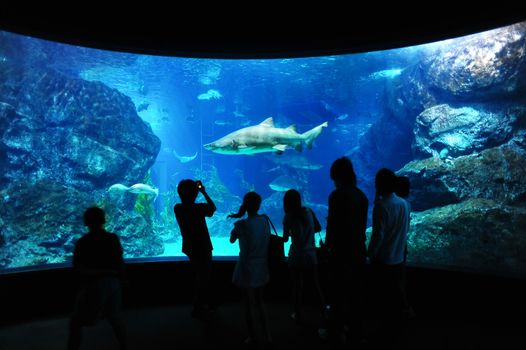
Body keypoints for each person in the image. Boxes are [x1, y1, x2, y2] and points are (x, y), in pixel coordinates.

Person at [322, 156, 368, 345]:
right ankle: (356, 333)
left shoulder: (336, 195)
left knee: (337, 293)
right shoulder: (362, 196)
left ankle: (335, 333)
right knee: (356, 294)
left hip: (341, 253)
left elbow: (333, 226)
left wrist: (327, 247)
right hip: (358, 251)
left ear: (336, 176)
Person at [67, 207, 127, 350]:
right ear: (103, 220)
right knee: (115, 317)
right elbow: (120, 262)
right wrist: (123, 280)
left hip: (94, 285)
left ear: (86, 222)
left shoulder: (82, 242)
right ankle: (124, 346)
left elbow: (78, 268)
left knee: (76, 322)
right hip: (114, 283)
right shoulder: (113, 238)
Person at [367, 169, 412, 346]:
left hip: (383, 260)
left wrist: (370, 254)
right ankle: (397, 331)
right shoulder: (403, 204)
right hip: (399, 258)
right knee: (395, 294)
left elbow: (378, 236)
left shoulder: (382, 206)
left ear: (379, 185)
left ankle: (384, 334)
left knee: (383, 298)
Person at [228, 191, 272, 346]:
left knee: (248, 304)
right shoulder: (264, 220)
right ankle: (267, 335)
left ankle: (253, 336)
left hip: (247, 267)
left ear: (245, 205)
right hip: (261, 265)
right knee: (260, 302)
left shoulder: (241, 225)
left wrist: (236, 227)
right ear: (259, 204)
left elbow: (232, 240)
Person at [174, 179, 216, 320]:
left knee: (199, 275)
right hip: (203, 246)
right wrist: (203, 191)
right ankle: (199, 307)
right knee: (205, 277)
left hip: (190, 246)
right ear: (195, 193)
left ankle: (201, 304)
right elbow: (212, 208)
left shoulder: (178, 208)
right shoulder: (199, 208)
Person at [282, 189, 326, 324]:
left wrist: (292, 232)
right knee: (315, 284)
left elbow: (284, 238)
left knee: (297, 285)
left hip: (296, 255)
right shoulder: (309, 212)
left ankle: (298, 313)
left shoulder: (288, 217)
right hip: (310, 254)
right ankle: (323, 312)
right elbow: (318, 228)